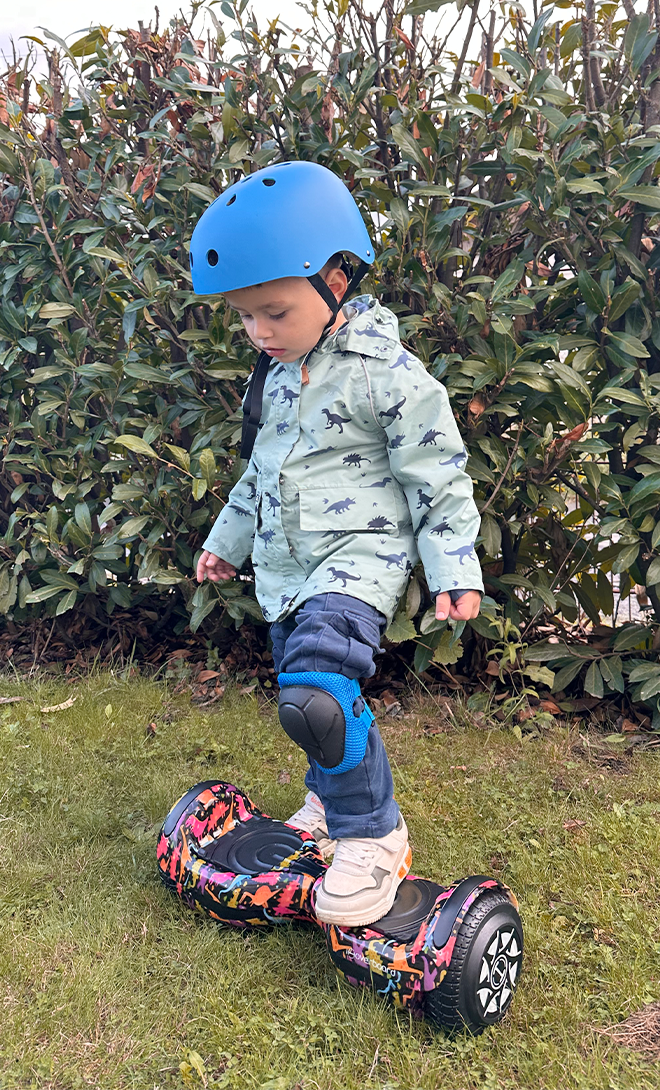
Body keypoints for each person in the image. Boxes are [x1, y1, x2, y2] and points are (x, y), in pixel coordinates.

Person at [192, 161, 483, 928]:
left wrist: (453, 565)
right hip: (289, 570)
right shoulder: (281, 373)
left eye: (274, 312)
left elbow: (439, 475)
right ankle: (327, 803)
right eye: (246, 316)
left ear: (335, 280)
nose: (258, 332)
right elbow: (260, 473)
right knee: (312, 700)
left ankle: (374, 838)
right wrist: (228, 541)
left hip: (357, 561)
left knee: (319, 692)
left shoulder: (388, 374)